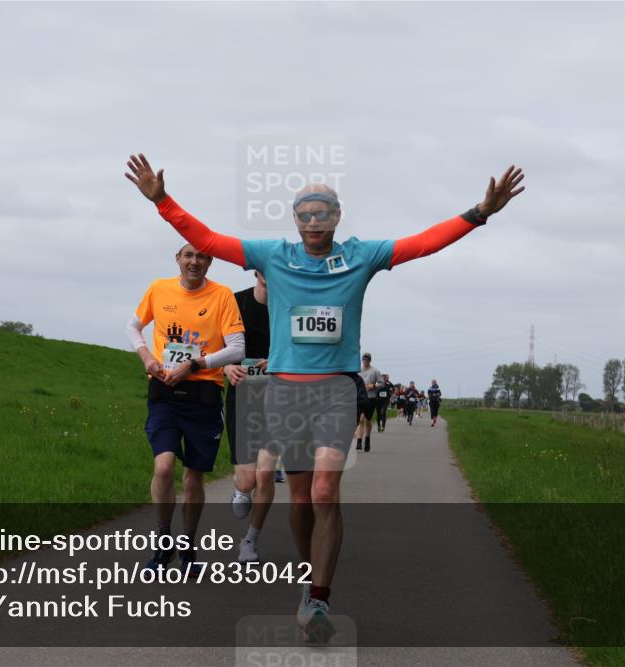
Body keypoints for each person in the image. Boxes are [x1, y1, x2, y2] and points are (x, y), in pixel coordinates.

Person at [125, 152, 525, 642]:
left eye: (323, 213)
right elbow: (208, 240)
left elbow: (422, 243)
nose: (314, 221)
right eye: (305, 213)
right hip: (286, 393)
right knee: (298, 501)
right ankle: (308, 574)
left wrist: (480, 213)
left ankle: (319, 597)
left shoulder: (361, 256)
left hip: (336, 390)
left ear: (337, 216)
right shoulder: (274, 256)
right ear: (295, 220)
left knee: (323, 493)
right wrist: (162, 201)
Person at [125, 244, 246, 573]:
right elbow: (133, 326)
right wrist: (146, 355)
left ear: (210, 261)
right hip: (164, 391)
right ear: (177, 259)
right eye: (188, 255)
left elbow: (237, 348)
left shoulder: (222, 295)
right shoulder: (159, 288)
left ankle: (188, 545)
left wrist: (195, 364)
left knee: (193, 479)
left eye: (202, 256)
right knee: (163, 467)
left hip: (203, 395)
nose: (195, 261)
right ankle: (163, 542)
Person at [225, 271, 279, 563]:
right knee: (247, 481)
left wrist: (280, 362)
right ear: (256, 270)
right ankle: (241, 490)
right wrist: (225, 368)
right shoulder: (236, 302)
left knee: (266, 473)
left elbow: (304, 348)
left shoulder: (289, 304)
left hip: (278, 398)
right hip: (243, 396)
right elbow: (215, 344)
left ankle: (250, 540)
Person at [354, 352, 381, 452]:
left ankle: (367, 439)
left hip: (371, 398)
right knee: (360, 419)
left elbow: (381, 383)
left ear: (370, 360)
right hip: (360, 398)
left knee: (368, 420)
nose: (366, 361)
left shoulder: (375, 371)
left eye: (367, 359)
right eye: (364, 359)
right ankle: (359, 441)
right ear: (362, 360)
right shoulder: (358, 371)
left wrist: (373, 386)